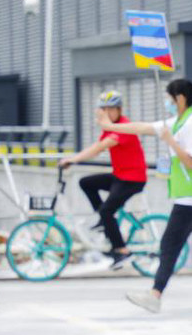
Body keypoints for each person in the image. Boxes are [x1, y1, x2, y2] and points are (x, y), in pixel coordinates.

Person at [95, 78, 192, 313]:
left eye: (168, 98)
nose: (166, 102)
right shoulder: (177, 122)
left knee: (169, 244)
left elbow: (191, 162)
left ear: (179, 98)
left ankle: (155, 295)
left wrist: (170, 141)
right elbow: (142, 128)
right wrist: (110, 126)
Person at [58, 91, 148, 270]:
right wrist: (73, 159)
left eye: (110, 109)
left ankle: (122, 251)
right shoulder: (111, 128)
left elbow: (99, 148)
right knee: (86, 183)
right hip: (120, 176)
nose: (107, 113)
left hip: (133, 179)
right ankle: (103, 222)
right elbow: (96, 147)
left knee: (107, 211)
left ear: (119, 110)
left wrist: (73, 159)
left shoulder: (124, 127)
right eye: (103, 109)